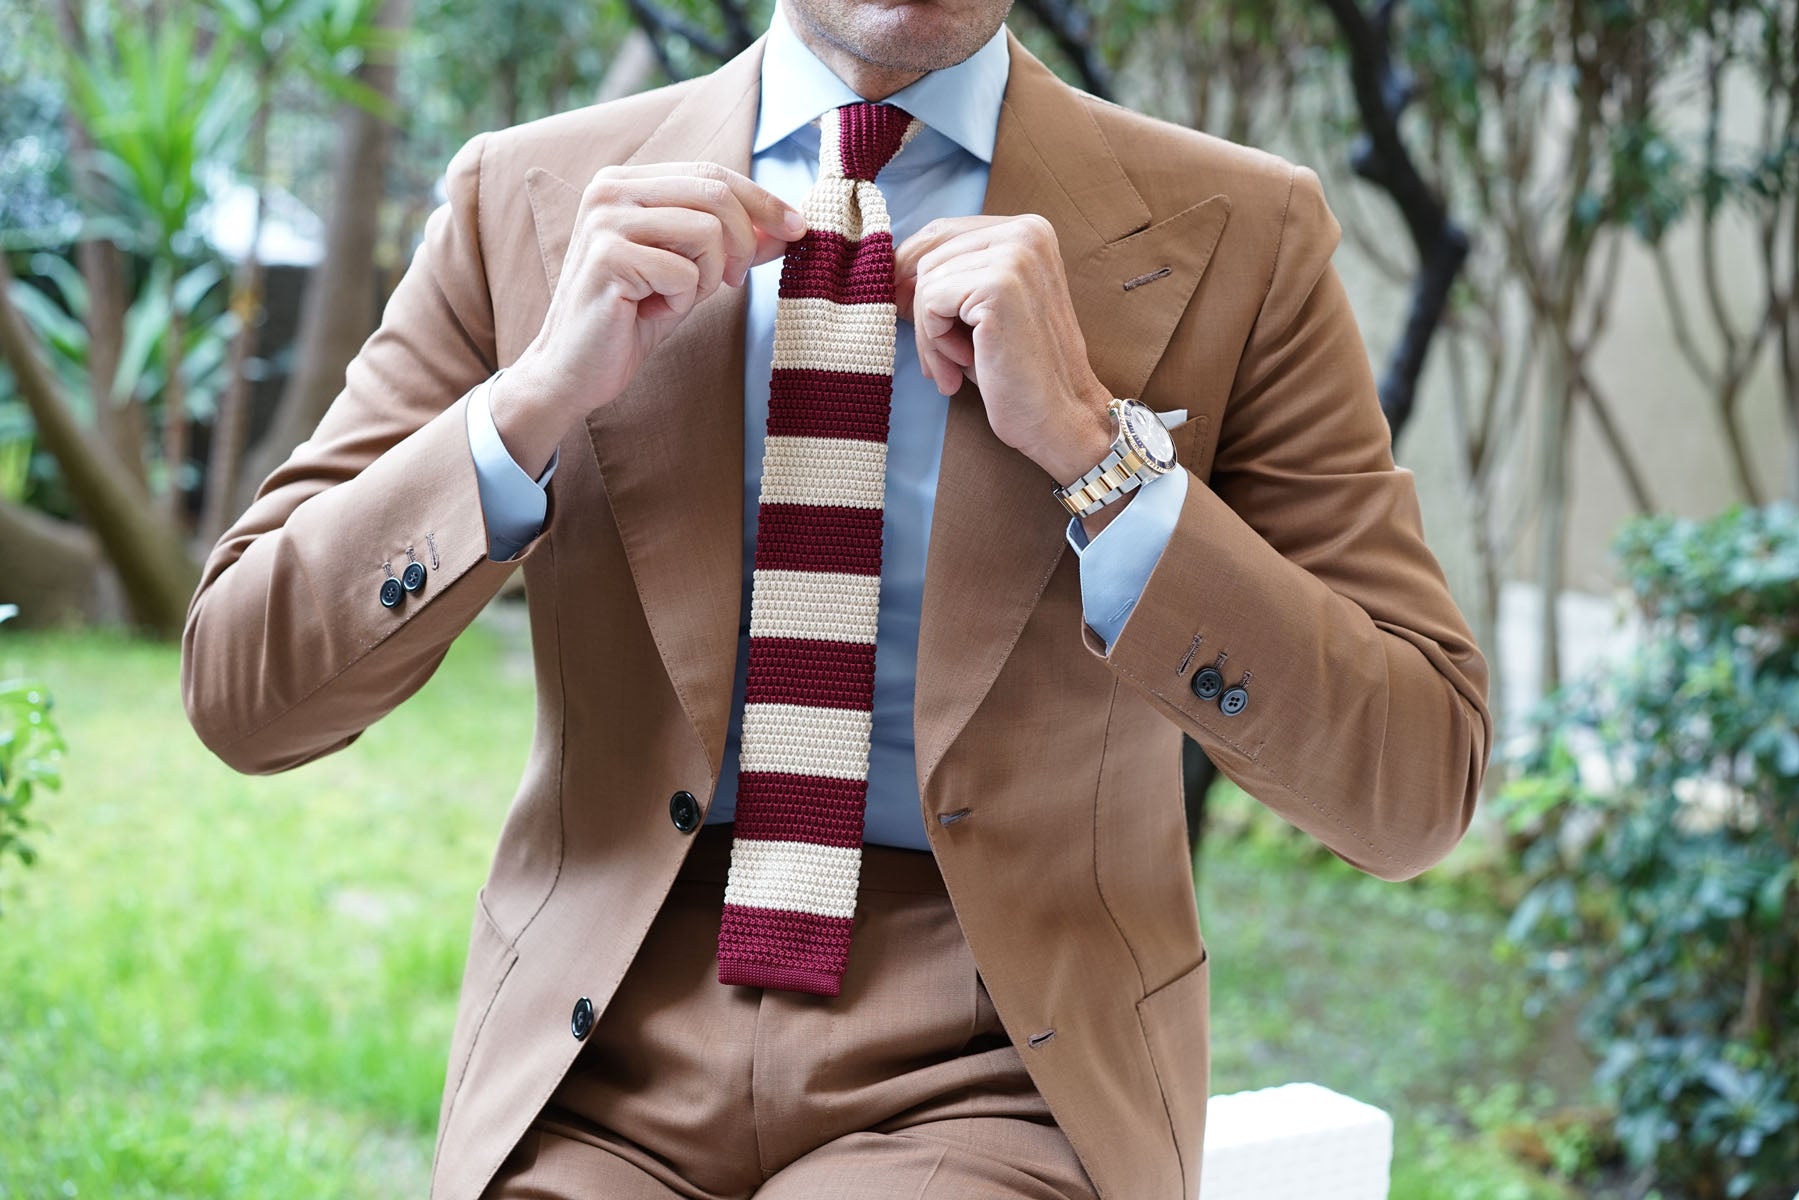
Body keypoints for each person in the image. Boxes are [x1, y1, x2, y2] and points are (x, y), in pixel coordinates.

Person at [180, 0, 1493, 1195]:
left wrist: (1103, 457)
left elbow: (1415, 783)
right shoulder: (523, 198)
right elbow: (244, 692)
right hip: (600, 1045)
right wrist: (526, 405)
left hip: (1000, 1055)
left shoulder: (1238, 234)